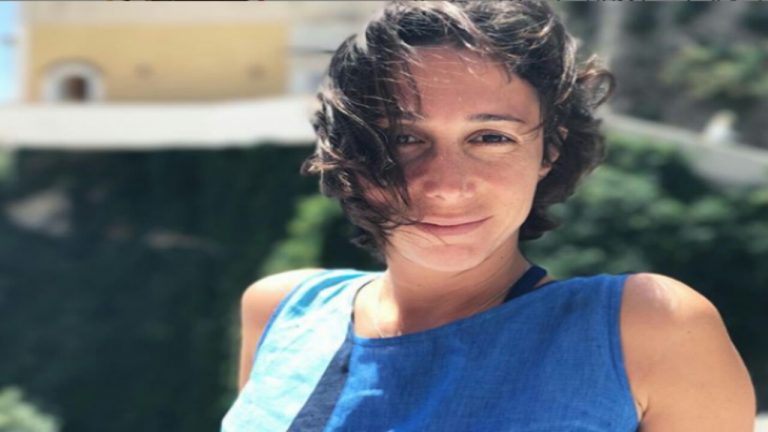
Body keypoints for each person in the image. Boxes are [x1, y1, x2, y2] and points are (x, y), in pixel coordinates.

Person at [222, 1, 756, 430]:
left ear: (549, 150)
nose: (446, 185)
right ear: (350, 152)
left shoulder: (646, 329)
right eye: (404, 138)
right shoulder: (282, 311)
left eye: (491, 138)